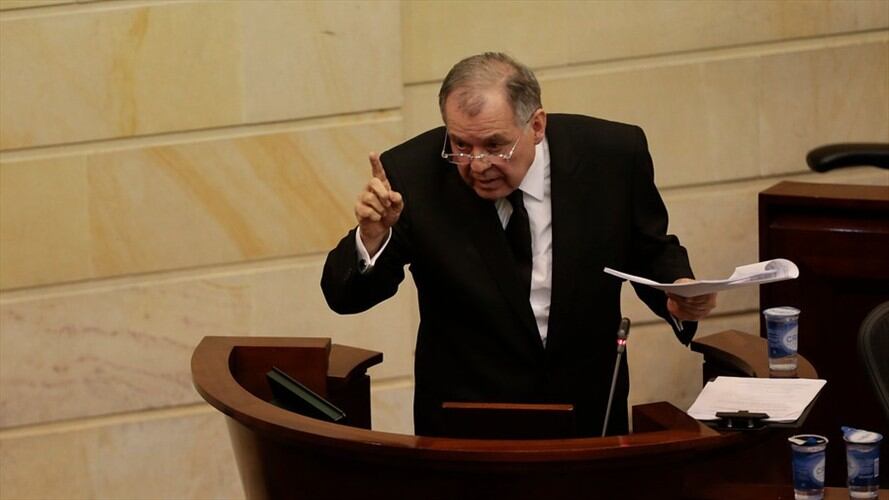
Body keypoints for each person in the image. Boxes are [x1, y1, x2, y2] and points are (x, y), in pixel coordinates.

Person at [322, 52, 716, 437]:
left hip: (588, 416)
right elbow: (345, 296)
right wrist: (372, 236)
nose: (477, 164)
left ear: (537, 125)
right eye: (460, 145)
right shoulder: (412, 173)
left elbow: (648, 247)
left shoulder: (611, 156)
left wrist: (679, 289)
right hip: (466, 428)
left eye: (495, 145)